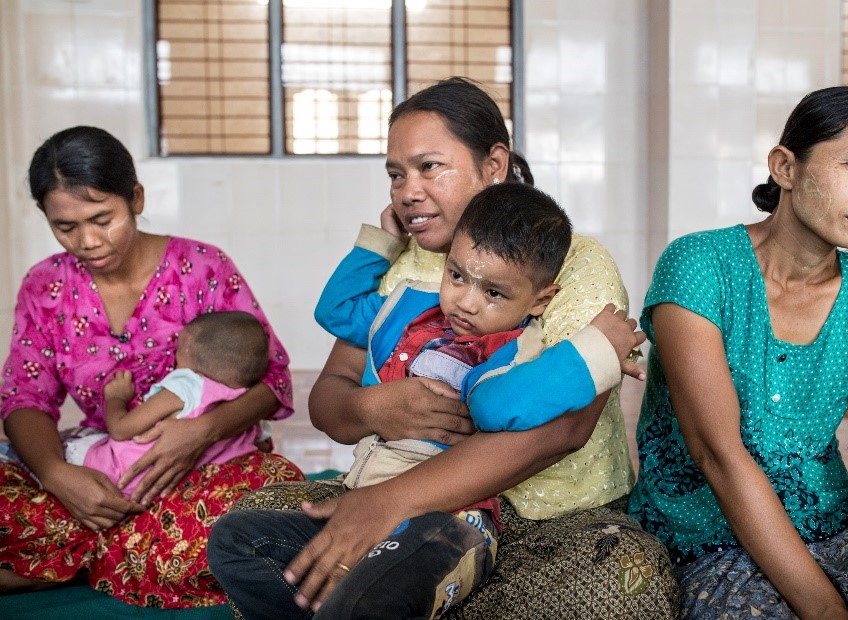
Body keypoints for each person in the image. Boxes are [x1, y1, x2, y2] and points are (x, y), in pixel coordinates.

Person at [210, 77, 678, 619]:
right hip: (395, 497)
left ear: (494, 165)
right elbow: (329, 404)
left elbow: (563, 431)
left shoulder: (571, 263)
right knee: (249, 524)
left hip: (548, 525)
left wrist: (387, 502)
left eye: (429, 167)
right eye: (395, 174)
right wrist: (374, 407)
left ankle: (382, 596)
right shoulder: (402, 268)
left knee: (622, 580)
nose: (407, 190)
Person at [628, 85, 848, 618]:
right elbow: (718, 454)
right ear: (785, 168)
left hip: (832, 524)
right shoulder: (700, 267)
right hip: (710, 536)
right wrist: (826, 610)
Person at [0, 126, 303, 608]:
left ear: (135, 198)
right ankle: (117, 552)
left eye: (103, 218)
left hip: (207, 469)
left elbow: (273, 379)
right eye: (66, 227)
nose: (89, 241)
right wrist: (59, 475)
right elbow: (24, 396)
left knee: (265, 507)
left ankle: (58, 563)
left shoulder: (202, 267)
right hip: (104, 474)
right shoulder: (45, 286)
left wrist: (203, 431)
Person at [62, 310, 274, 498]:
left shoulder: (186, 386)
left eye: (179, 346)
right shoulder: (243, 406)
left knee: (67, 443)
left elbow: (120, 429)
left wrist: (116, 398)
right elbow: (262, 444)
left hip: (119, 476)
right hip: (169, 492)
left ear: (188, 350)